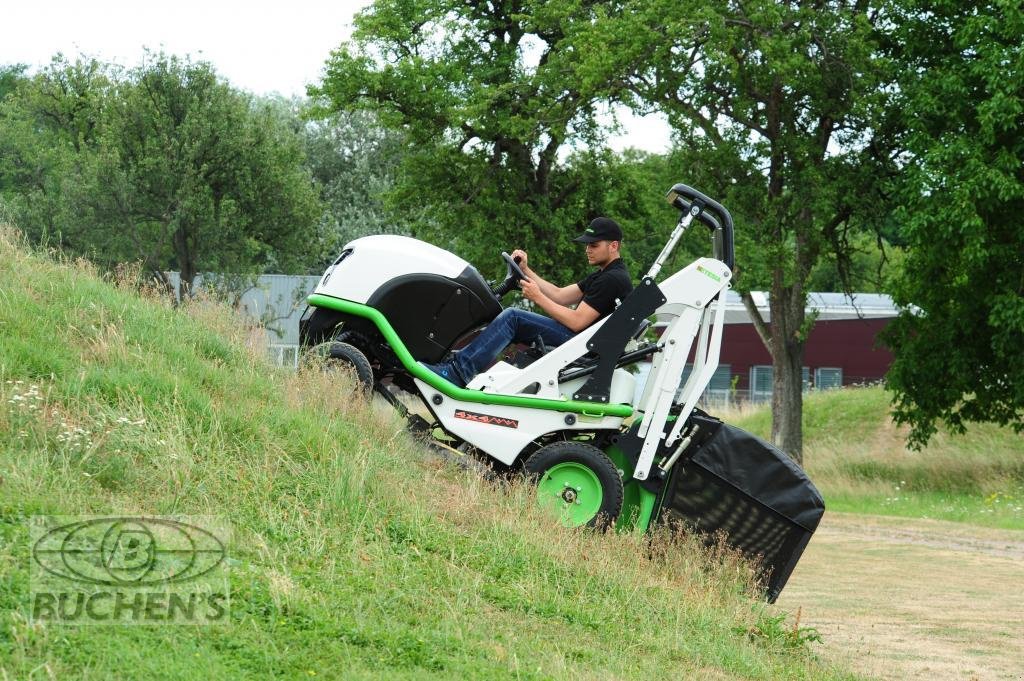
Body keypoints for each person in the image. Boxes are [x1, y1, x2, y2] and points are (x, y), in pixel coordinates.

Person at [423, 217, 633, 388]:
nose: (588, 249)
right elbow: (560, 295)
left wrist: (537, 297)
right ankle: (455, 365)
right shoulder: (604, 275)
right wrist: (525, 271)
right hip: (584, 341)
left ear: (613, 246)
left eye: (594, 245)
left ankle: (457, 373)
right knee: (513, 317)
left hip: (585, 346)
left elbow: (577, 321)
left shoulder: (612, 279)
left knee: (513, 317)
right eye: (587, 244)